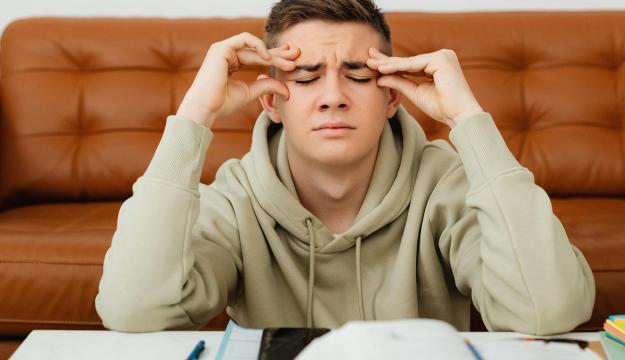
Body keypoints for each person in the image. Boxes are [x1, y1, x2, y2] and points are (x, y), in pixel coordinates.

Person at [95, 0, 595, 335]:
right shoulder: (235, 196)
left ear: (393, 96)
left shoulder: (447, 185)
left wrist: (469, 120)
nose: (333, 97)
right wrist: (193, 117)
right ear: (272, 101)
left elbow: (549, 310)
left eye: (358, 74)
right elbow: (133, 312)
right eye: (307, 77)